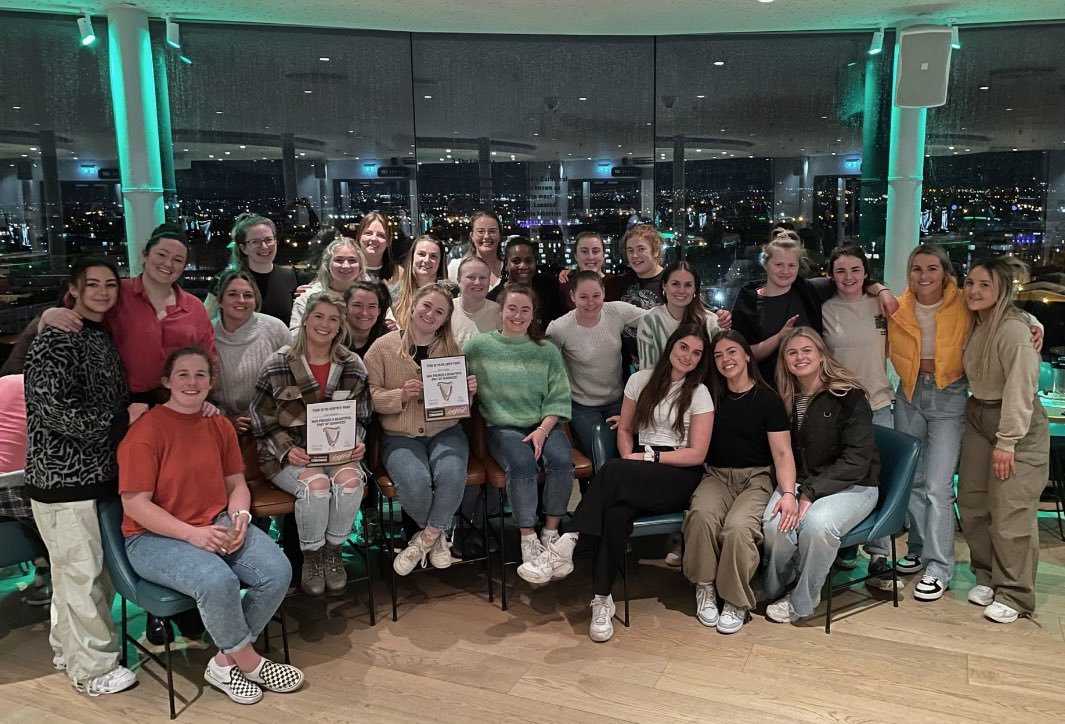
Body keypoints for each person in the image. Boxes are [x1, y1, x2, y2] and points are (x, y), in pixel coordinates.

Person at [120, 347, 303, 705]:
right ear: (166, 381)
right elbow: (135, 505)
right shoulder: (145, 432)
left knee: (277, 570)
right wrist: (192, 534)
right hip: (152, 537)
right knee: (218, 580)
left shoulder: (218, 424)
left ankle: (223, 662)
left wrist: (240, 519)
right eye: (183, 374)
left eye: (200, 374)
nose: (192, 382)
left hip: (216, 520)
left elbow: (236, 484)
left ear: (211, 381)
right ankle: (249, 662)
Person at [546, 324, 714, 642]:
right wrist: (630, 458)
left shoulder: (699, 392)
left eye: (697, 353)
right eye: (684, 348)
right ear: (671, 347)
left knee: (612, 472)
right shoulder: (640, 380)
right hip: (639, 468)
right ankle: (601, 600)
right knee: (615, 513)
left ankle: (569, 540)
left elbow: (696, 454)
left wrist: (646, 459)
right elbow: (624, 430)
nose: (689, 357)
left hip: (679, 474)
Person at [24, 257, 138, 695]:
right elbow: (54, 409)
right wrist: (120, 421)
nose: (103, 292)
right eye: (93, 284)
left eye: (110, 284)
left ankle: (68, 648)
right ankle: (92, 670)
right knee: (83, 574)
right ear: (74, 289)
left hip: (94, 476)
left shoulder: (96, 334)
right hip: (63, 480)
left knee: (75, 573)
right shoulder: (57, 336)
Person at [251, 292, 371, 597]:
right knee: (316, 486)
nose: (325, 324)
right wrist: (288, 450)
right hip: (288, 453)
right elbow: (261, 419)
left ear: (341, 326)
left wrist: (357, 442)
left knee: (350, 481)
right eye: (319, 317)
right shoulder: (277, 363)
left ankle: (334, 551)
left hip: (337, 451)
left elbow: (363, 414)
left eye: (333, 319)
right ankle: (312, 557)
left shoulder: (351, 364)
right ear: (305, 321)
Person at [761, 328, 880, 623]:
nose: (800, 357)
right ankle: (775, 587)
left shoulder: (849, 395)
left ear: (821, 354)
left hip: (853, 484)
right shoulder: (784, 398)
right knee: (775, 526)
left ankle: (803, 599)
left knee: (817, 526)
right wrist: (793, 491)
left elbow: (857, 460)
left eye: (807, 350)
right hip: (802, 483)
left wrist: (810, 493)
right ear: (784, 360)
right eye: (792, 352)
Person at [683, 330, 795, 634]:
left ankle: (734, 599)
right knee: (702, 516)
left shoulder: (768, 399)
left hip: (756, 476)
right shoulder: (709, 395)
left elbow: (783, 452)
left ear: (747, 354)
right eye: (718, 356)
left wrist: (788, 493)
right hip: (716, 474)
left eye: (731, 352)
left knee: (738, 528)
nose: (725, 360)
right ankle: (704, 586)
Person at [957, 257, 1049, 624]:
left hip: (1015, 424)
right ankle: (988, 575)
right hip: (978, 415)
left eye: (985, 285)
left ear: (1003, 291)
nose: (974, 291)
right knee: (973, 501)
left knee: (1011, 509)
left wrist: (1008, 441)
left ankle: (1016, 593)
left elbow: (1020, 389)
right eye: (970, 282)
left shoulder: (1013, 331)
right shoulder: (977, 321)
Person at [364, 283, 477, 575]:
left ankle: (424, 539)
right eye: (426, 306)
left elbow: (457, 404)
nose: (431, 314)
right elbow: (368, 396)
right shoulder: (383, 347)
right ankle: (440, 537)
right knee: (414, 484)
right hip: (400, 435)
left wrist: (468, 392)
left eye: (439, 311)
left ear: (445, 319)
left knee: (451, 475)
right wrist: (398, 396)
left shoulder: (452, 349)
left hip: (446, 431)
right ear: (413, 306)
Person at [464, 283, 574, 583]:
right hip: (502, 426)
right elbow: (455, 387)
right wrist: (467, 390)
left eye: (525, 309)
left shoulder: (546, 351)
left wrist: (542, 429)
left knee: (563, 460)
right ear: (501, 312)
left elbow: (559, 397)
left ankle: (551, 532)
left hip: (544, 424)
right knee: (522, 464)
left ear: (533, 314)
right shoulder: (478, 347)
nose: (518, 315)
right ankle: (527, 536)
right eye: (512, 308)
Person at [40, 223, 217, 406]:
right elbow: (76, 307)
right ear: (145, 255)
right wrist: (48, 314)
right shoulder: (116, 292)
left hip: (180, 401)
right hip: (123, 402)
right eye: (161, 255)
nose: (168, 264)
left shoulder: (194, 307)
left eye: (178, 260)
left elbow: (209, 358)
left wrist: (204, 397)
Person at [546, 271, 647, 456]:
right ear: (572, 297)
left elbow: (657, 317)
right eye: (583, 297)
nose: (591, 302)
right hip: (582, 404)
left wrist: (711, 317)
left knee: (627, 450)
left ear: (604, 293)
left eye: (596, 296)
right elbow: (546, 366)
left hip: (617, 399)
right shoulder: (559, 328)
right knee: (599, 454)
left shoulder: (616, 311)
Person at [821, 245, 894, 428]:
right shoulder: (823, 310)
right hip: (839, 406)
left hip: (878, 403)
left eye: (855, 270)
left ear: (866, 273)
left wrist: (881, 290)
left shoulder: (882, 304)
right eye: (840, 271)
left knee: (884, 457)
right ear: (831, 275)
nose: (848, 277)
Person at [212, 270, 291, 434]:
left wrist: (261, 413)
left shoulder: (276, 329)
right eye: (232, 294)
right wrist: (224, 419)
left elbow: (292, 380)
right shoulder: (206, 333)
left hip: (271, 423)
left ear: (256, 301)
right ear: (220, 300)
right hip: (219, 424)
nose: (241, 300)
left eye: (248, 295)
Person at [205, 213, 298, 324]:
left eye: (268, 240)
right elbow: (202, 321)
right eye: (255, 242)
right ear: (243, 248)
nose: (264, 246)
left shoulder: (290, 277)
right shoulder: (223, 281)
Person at [636, 260, 727, 369]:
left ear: (695, 289)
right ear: (664, 285)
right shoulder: (649, 321)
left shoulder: (711, 322)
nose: (681, 290)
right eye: (675, 284)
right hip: (660, 385)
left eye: (688, 285)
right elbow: (647, 372)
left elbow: (720, 366)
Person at [289, 236, 366, 333]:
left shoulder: (371, 297)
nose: (346, 265)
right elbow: (294, 336)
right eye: (338, 260)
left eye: (352, 260)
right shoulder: (307, 297)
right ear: (327, 264)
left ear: (360, 266)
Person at [486, 236, 564, 328]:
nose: (523, 266)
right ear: (506, 265)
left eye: (528, 261)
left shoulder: (549, 286)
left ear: (535, 262)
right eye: (516, 261)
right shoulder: (493, 298)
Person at [556, 231, 622, 309]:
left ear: (603, 255)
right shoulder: (565, 282)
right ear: (576, 256)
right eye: (584, 251)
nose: (590, 257)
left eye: (595, 251)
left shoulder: (616, 284)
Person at [391, 235, 447, 323]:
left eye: (433, 256)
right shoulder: (394, 295)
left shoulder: (451, 294)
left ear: (440, 261)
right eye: (421, 254)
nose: (426, 260)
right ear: (412, 257)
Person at [447, 211, 503, 288]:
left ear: (499, 236)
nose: (486, 236)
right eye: (480, 231)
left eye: (492, 231)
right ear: (472, 236)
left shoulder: (510, 269)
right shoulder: (455, 267)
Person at [452, 256, 501, 340]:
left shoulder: (499, 313)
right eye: (471, 277)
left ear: (489, 281)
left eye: (482, 278)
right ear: (459, 281)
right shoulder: (446, 311)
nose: (477, 282)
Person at [352, 212, 403, 287]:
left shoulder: (399, 273)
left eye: (380, 235)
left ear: (389, 241)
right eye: (368, 233)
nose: (373, 239)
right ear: (359, 237)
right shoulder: (349, 270)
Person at [345, 281, 392, 358]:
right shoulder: (332, 337)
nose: (364, 313)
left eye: (372, 306)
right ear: (346, 307)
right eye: (357, 305)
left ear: (379, 311)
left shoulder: (388, 340)